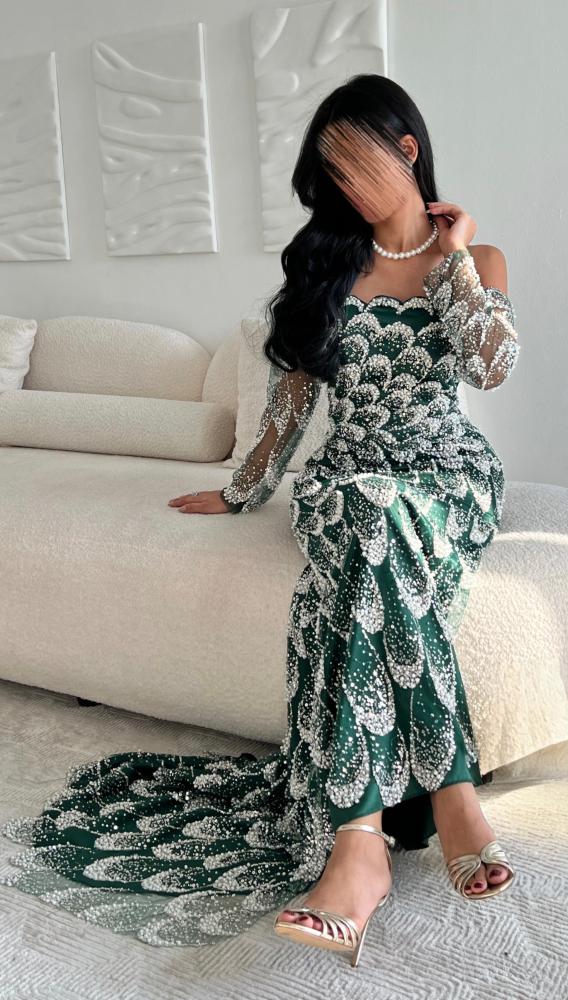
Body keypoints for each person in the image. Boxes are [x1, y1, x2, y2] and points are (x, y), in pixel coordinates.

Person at [0, 74, 520, 966]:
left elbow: (492, 366)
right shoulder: (328, 268)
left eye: (357, 166)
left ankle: (367, 844)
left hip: (446, 478)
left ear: (406, 150)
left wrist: (457, 255)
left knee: (366, 543)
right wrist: (241, 490)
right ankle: (436, 804)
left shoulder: (477, 261)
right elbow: (289, 406)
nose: (348, 189)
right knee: (363, 511)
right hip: (346, 478)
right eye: (333, 177)